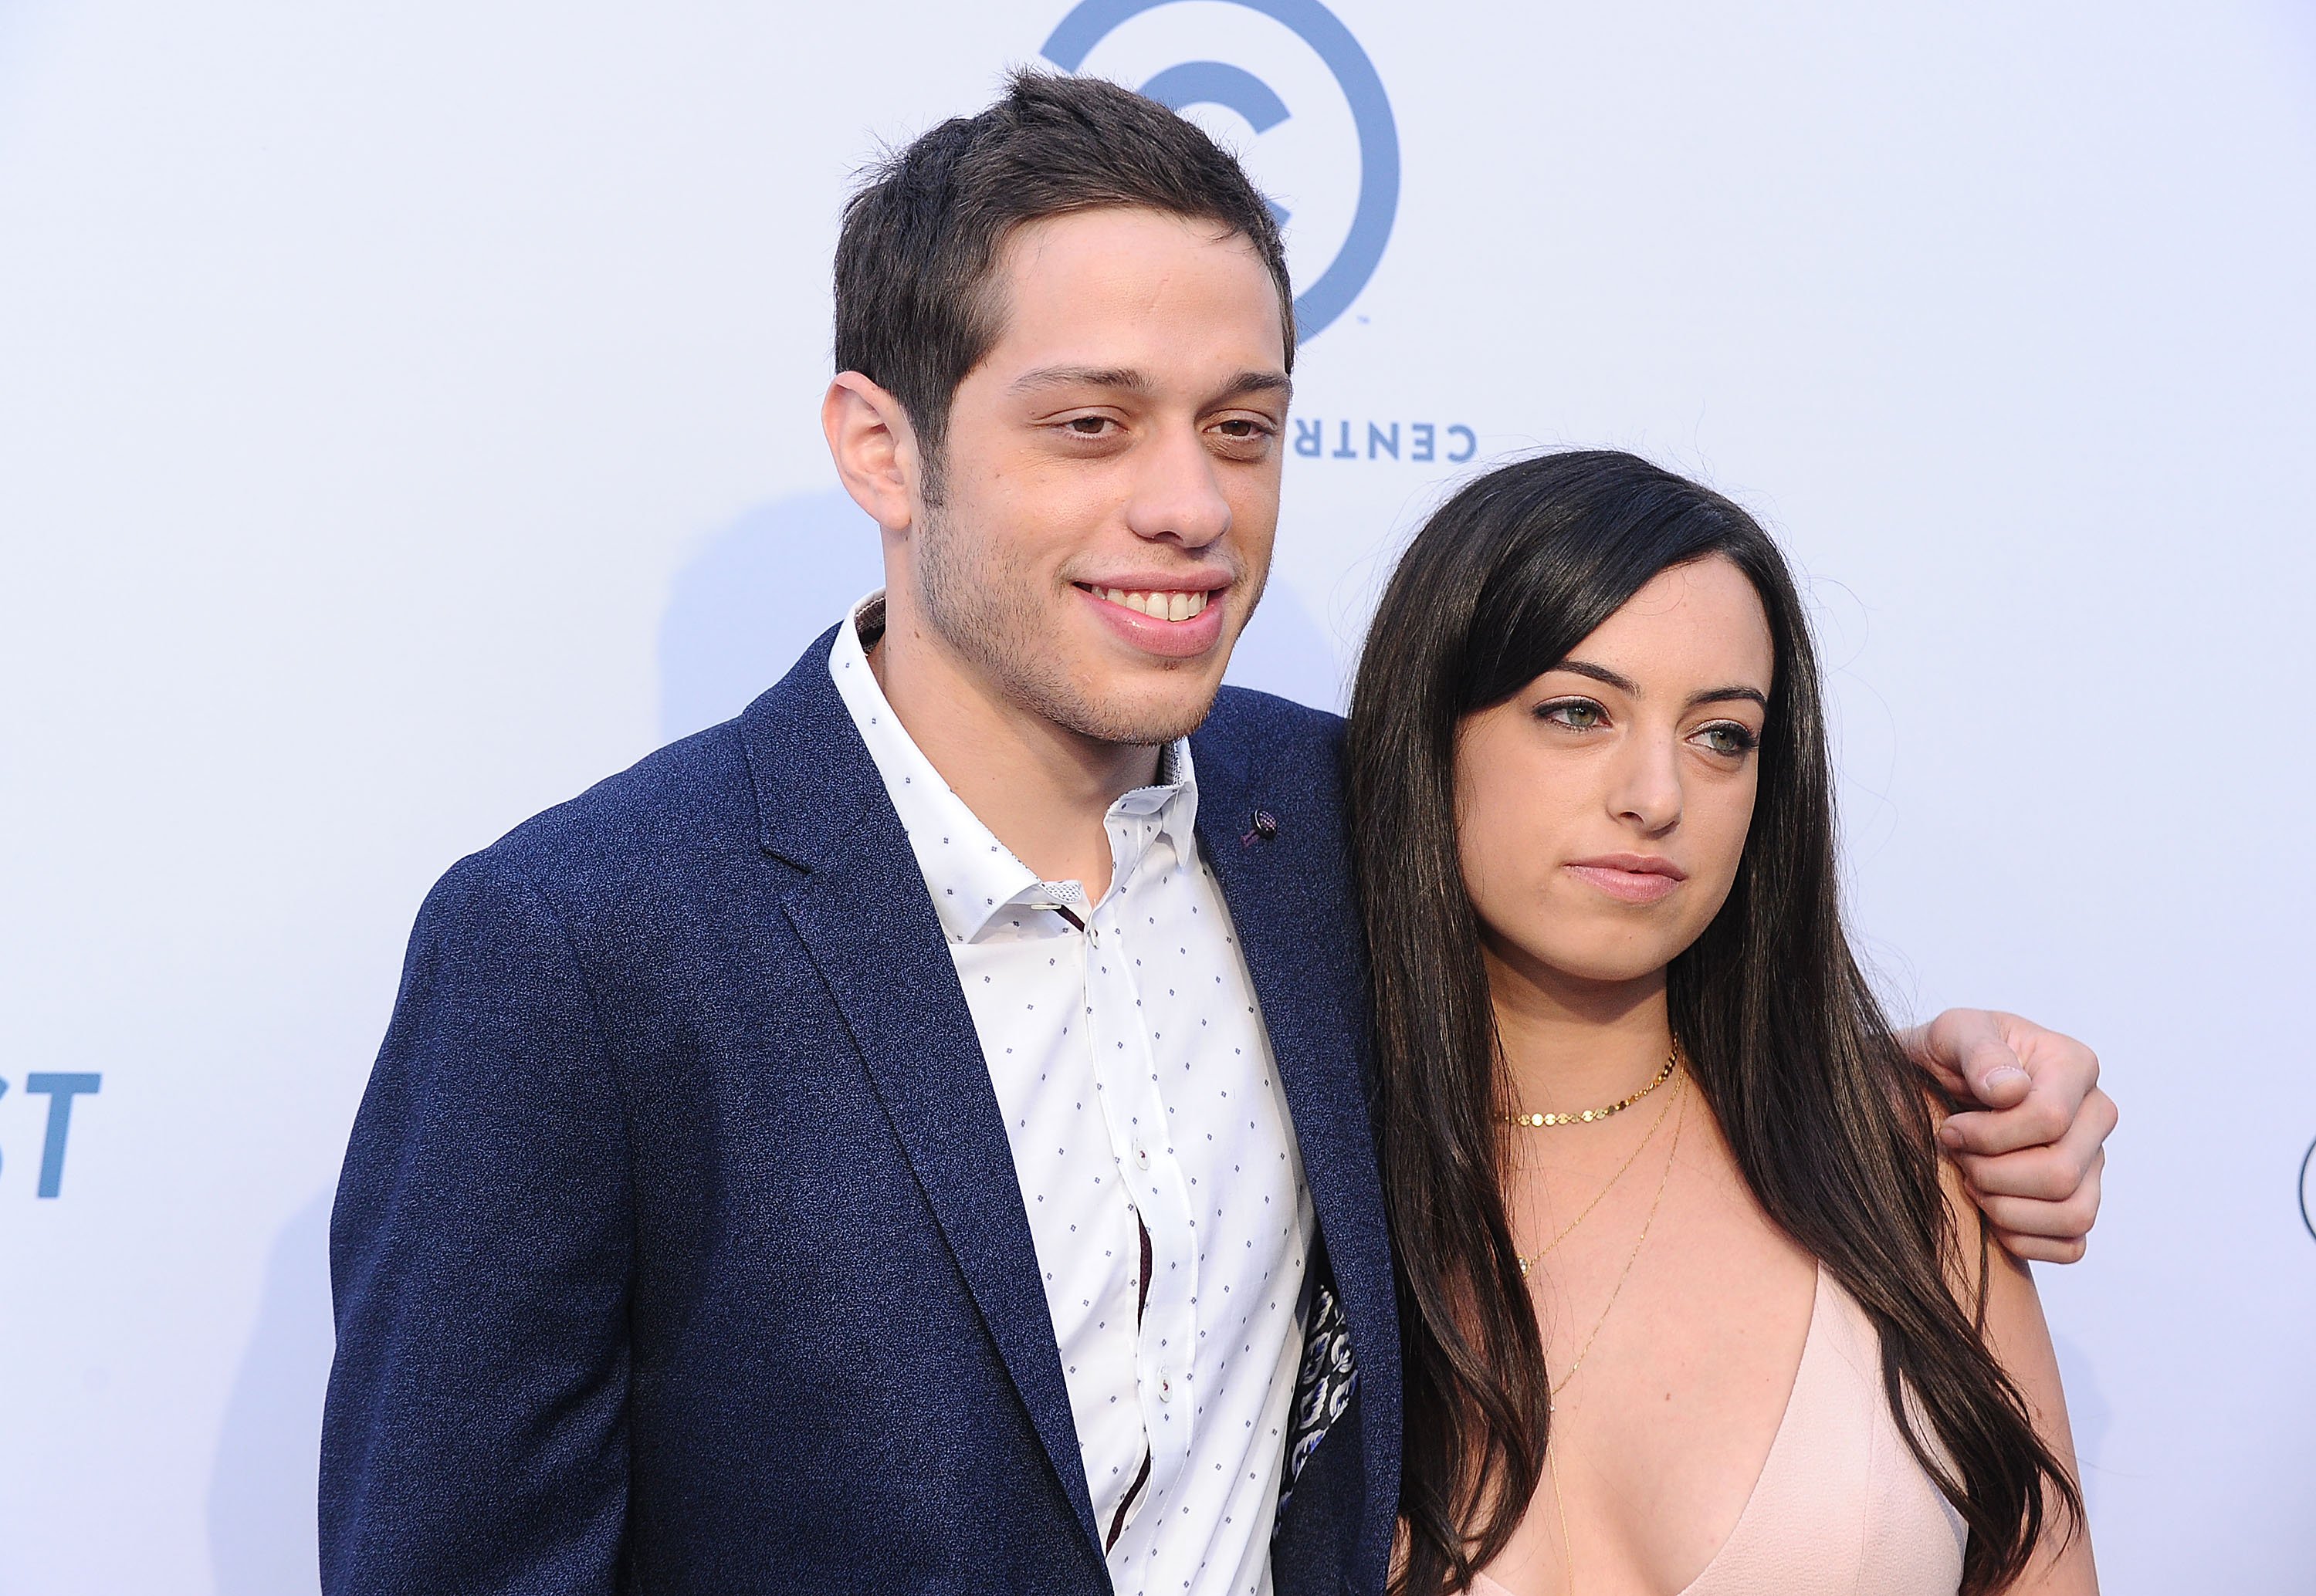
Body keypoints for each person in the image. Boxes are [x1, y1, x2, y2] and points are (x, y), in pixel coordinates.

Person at [319, 74, 2114, 1596]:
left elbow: (1643, 967)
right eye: (1091, 425)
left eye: (1239, 428)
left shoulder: (1343, 823)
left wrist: (1961, 1086)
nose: (1187, 506)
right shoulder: (578, 943)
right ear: (881, 447)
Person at [1346, 451, 2101, 1595]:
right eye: (1578, 712)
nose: (1657, 796)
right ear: (1430, 733)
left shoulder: (1905, 1166)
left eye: (1721, 736)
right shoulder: (1300, 1184)